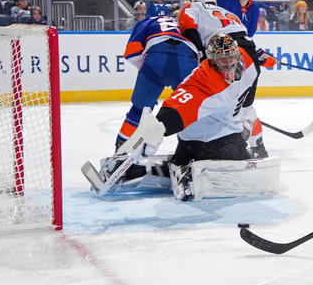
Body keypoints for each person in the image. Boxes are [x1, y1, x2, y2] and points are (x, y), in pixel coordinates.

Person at [101, 33, 261, 201]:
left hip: (191, 143)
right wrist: (152, 133)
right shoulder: (203, 80)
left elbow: (249, 56)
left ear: (237, 52)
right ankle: (190, 175)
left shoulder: (248, 61)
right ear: (211, 59)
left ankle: (156, 169)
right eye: (222, 57)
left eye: (230, 55)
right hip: (212, 142)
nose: (228, 62)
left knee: (184, 160)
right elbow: (174, 109)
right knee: (247, 175)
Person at [115, 15, 200, 150]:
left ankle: (121, 151)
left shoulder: (146, 22)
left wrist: (148, 71)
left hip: (156, 56)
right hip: (187, 59)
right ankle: (192, 150)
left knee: (139, 111)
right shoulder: (181, 22)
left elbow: (131, 53)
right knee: (189, 110)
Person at [216, 0, 273, 156]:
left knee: (242, 106)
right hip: (222, 56)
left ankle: (254, 144)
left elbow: (246, 37)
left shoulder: (254, 9)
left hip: (238, 60)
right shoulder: (223, 0)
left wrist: (256, 53)